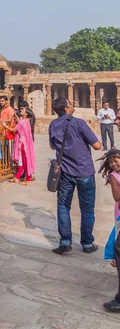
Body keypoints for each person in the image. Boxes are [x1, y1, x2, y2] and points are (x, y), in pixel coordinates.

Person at [49, 97, 101, 255]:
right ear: (66, 109)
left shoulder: (53, 125)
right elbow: (97, 146)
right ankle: (87, 243)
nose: (73, 105)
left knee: (63, 207)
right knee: (87, 208)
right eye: (70, 103)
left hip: (65, 172)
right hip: (84, 170)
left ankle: (65, 242)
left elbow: (53, 146)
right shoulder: (79, 123)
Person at [98, 150, 120, 312]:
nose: (114, 164)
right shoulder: (113, 176)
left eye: (116, 160)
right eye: (111, 162)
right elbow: (117, 197)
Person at [9, 107, 36, 185]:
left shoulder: (22, 122)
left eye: (23, 110)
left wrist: (6, 126)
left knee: (25, 161)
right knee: (21, 161)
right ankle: (17, 177)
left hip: (23, 144)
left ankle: (28, 180)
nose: (21, 110)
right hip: (25, 143)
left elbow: (14, 130)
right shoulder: (27, 121)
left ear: (26, 113)